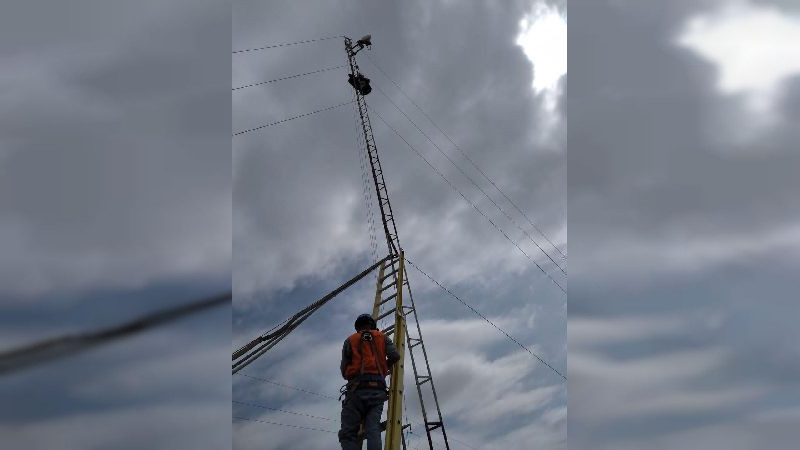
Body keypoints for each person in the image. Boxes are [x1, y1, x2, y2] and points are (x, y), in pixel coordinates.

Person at [338, 313, 400, 450]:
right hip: (377, 390)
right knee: (373, 428)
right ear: (373, 325)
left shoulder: (350, 340)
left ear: (357, 327)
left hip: (356, 391)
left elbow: (344, 371)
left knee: (348, 434)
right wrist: (384, 366)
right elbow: (395, 356)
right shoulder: (383, 337)